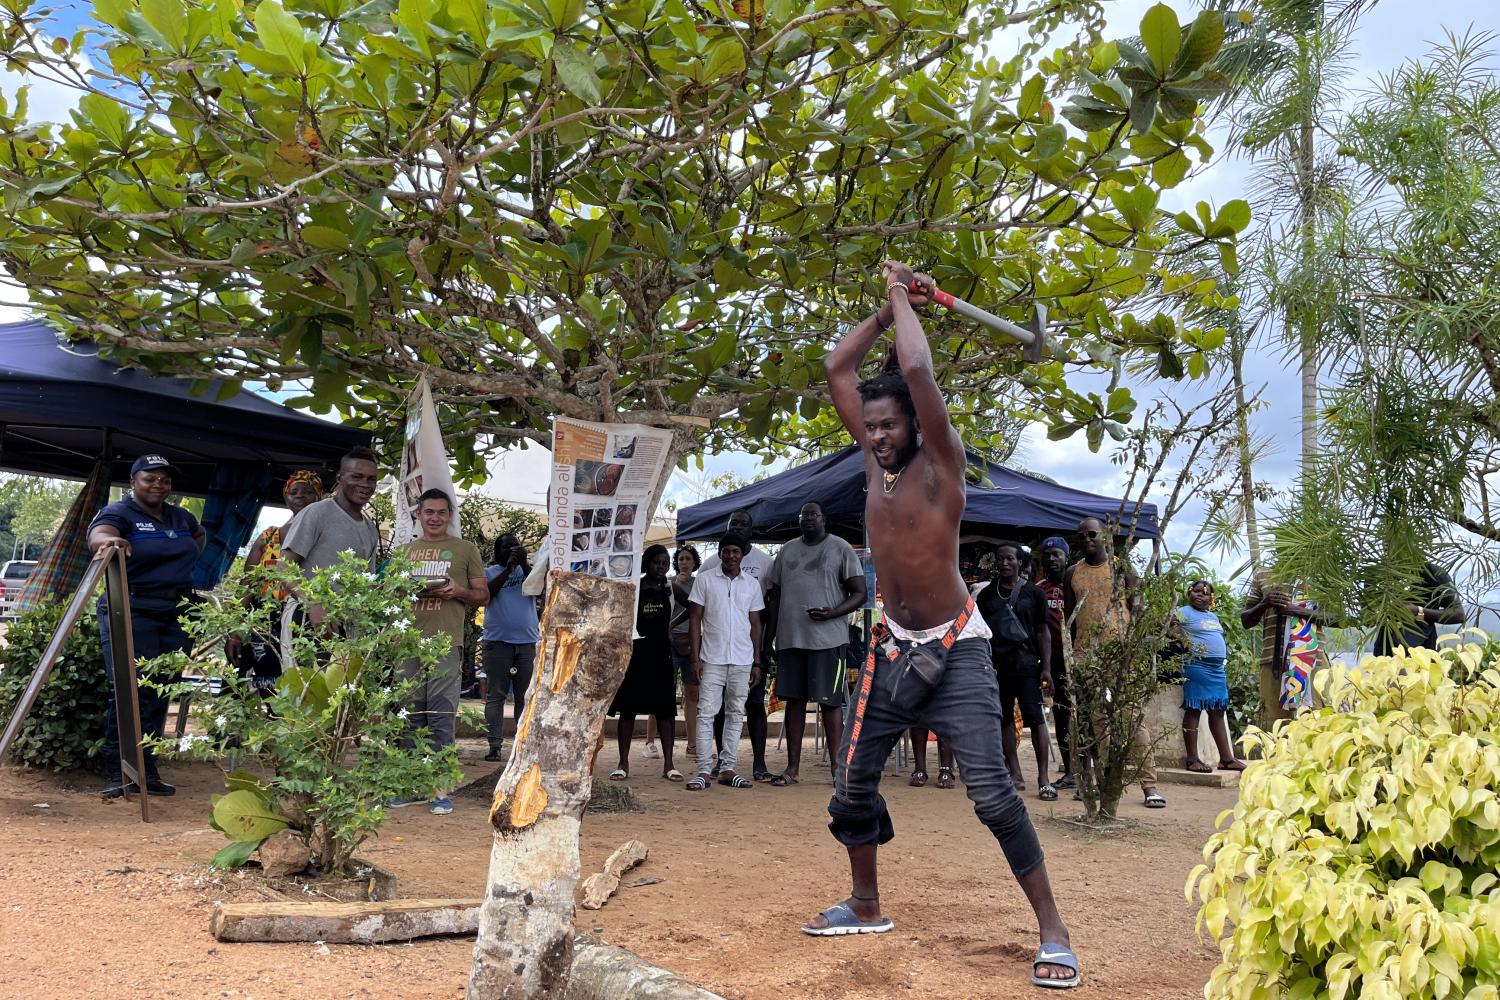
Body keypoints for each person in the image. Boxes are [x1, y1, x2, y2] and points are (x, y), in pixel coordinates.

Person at [807, 261, 1077, 990]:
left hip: (957, 649)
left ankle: (1053, 930)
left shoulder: (942, 466)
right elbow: (839, 364)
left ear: (916, 426)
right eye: (870, 427)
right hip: (890, 647)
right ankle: (865, 903)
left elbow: (919, 368)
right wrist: (883, 308)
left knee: (992, 794)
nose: (878, 436)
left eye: (889, 425)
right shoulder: (874, 464)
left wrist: (902, 297)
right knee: (852, 786)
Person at [88, 454, 206, 798]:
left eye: (165, 480)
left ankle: (147, 768)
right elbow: (99, 534)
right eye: (150, 478)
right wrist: (109, 543)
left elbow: (197, 537)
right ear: (133, 481)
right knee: (129, 688)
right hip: (132, 607)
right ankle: (117, 769)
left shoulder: (180, 516)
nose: (158, 485)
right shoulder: (120, 512)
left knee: (164, 688)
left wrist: (177, 567)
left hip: (177, 611)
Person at [393, 489, 487, 814]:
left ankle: (440, 791)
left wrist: (457, 591)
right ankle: (410, 787)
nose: (434, 518)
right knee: (410, 718)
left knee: (441, 717)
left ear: (449, 516)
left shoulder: (465, 549)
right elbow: (391, 596)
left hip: (446, 644)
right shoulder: (404, 552)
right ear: (418, 515)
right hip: (407, 645)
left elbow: (483, 595)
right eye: (428, 512)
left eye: (441, 512)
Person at [1063, 516, 1164, 810]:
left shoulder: (1122, 568)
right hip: (1086, 657)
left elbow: (1138, 608)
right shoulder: (1073, 572)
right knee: (1097, 720)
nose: (1087, 540)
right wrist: (1072, 658)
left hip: (1120, 656)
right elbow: (1070, 621)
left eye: (1093, 534)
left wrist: (1131, 649)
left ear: (1106, 536)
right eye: (1081, 536)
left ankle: (1150, 785)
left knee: (1132, 718)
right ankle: (1107, 782)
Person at [764, 501, 867, 785]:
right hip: (791, 639)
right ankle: (792, 769)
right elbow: (774, 597)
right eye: (804, 515)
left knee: (830, 704)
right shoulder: (787, 550)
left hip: (828, 641)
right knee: (793, 702)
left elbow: (860, 593)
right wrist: (768, 639)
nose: (808, 519)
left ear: (824, 519)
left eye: (814, 515)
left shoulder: (840, 548)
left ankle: (837, 770)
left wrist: (833, 612)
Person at [226, 470, 324, 694]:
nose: (300, 496)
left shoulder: (323, 535)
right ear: (286, 496)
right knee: (269, 686)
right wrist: (235, 631)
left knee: (304, 683)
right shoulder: (269, 537)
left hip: (306, 617)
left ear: (319, 496)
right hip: (267, 620)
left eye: (308, 491)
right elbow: (248, 585)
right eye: (294, 491)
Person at [686, 532, 764, 791]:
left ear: (742, 555)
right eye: (727, 551)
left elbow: (755, 624)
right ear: (720, 553)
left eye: (736, 552)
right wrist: (695, 659)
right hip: (712, 659)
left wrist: (757, 661)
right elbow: (695, 620)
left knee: (734, 714)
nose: (731, 556)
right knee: (707, 713)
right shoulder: (705, 580)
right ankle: (703, 771)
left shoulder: (752, 584)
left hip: (742, 660)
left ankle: (728, 768)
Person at [702, 509, 774, 780]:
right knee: (720, 707)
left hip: (750, 649)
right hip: (718, 652)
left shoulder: (765, 562)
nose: (739, 528)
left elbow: (768, 609)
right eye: (734, 524)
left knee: (754, 705)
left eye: (744, 524)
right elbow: (700, 603)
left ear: (752, 529)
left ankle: (759, 763)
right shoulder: (711, 563)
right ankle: (723, 761)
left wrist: (765, 645)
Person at [979, 541, 1055, 799]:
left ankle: (1044, 778)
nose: (1004, 563)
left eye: (1010, 558)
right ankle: (1015, 772)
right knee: (1004, 719)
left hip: (1027, 665)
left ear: (1020, 563)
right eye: (1000, 558)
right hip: (998, 666)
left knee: (1036, 719)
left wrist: (1046, 668)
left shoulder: (1034, 594)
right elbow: (981, 634)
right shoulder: (987, 596)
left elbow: (1043, 631)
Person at [280, 446, 382, 630]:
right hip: (306, 621)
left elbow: (367, 584)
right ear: (339, 478)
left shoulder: (370, 530)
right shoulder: (316, 513)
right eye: (356, 477)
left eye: (371, 479)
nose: (365, 484)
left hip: (347, 627)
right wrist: (312, 603)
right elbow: (283, 567)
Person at [608, 545, 682, 782]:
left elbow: (693, 607)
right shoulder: (634, 586)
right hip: (635, 653)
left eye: (665, 562)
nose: (661, 566)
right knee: (628, 709)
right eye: (657, 562)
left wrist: (671, 626)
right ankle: (622, 764)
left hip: (661, 654)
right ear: (647, 563)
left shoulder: (671, 588)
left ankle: (669, 764)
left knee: (665, 711)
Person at [1241, 569, 1339, 728]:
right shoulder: (1263, 576)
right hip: (1272, 662)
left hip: (1313, 661)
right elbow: (1246, 620)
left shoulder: (1321, 572)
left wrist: (1295, 610)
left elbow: (1338, 619)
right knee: (1275, 725)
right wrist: (1265, 603)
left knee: (1318, 721)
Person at [1173, 580, 1244, 773]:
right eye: (1195, 591)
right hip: (1196, 665)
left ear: (1210, 598)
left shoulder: (1212, 616)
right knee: (1194, 708)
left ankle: (1227, 759)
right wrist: (1181, 640)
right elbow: (1165, 626)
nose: (1198, 595)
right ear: (1189, 593)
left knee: (1217, 711)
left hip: (1216, 669)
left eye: (1203, 593)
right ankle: (1192, 759)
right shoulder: (1184, 612)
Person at [481, 532, 540, 763]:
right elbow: (487, 595)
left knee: (524, 697)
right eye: (506, 547)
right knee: (496, 696)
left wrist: (523, 563)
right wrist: (507, 568)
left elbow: (538, 589)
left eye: (515, 546)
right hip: (498, 643)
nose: (511, 550)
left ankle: (521, 746)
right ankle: (494, 746)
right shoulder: (489, 572)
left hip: (526, 643)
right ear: (497, 552)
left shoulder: (529, 571)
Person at [1035, 537, 1075, 789]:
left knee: (1086, 716)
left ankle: (1088, 771)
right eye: (1047, 555)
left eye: (1056, 554)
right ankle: (1070, 771)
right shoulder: (1038, 590)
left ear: (1067, 558)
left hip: (1080, 659)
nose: (1051, 559)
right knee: (1061, 715)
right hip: (1054, 662)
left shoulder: (1079, 585)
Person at [1371, 560, 1464, 656]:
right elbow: (1369, 619)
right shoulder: (1378, 574)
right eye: (1385, 545)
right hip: (1385, 656)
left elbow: (1458, 614)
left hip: (1423, 655)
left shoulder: (1433, 572)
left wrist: (1418, 611)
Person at [670, 545, 702, 761]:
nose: (684, 562)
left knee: (692, 693)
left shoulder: (699, 584)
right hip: (669, 640)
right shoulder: (668, 582)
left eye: (688, 558)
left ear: (694, 562)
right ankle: (654, 742)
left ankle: (692, 743)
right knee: (665, 691)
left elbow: (698, 611)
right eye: (680, 558)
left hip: (691, 641)